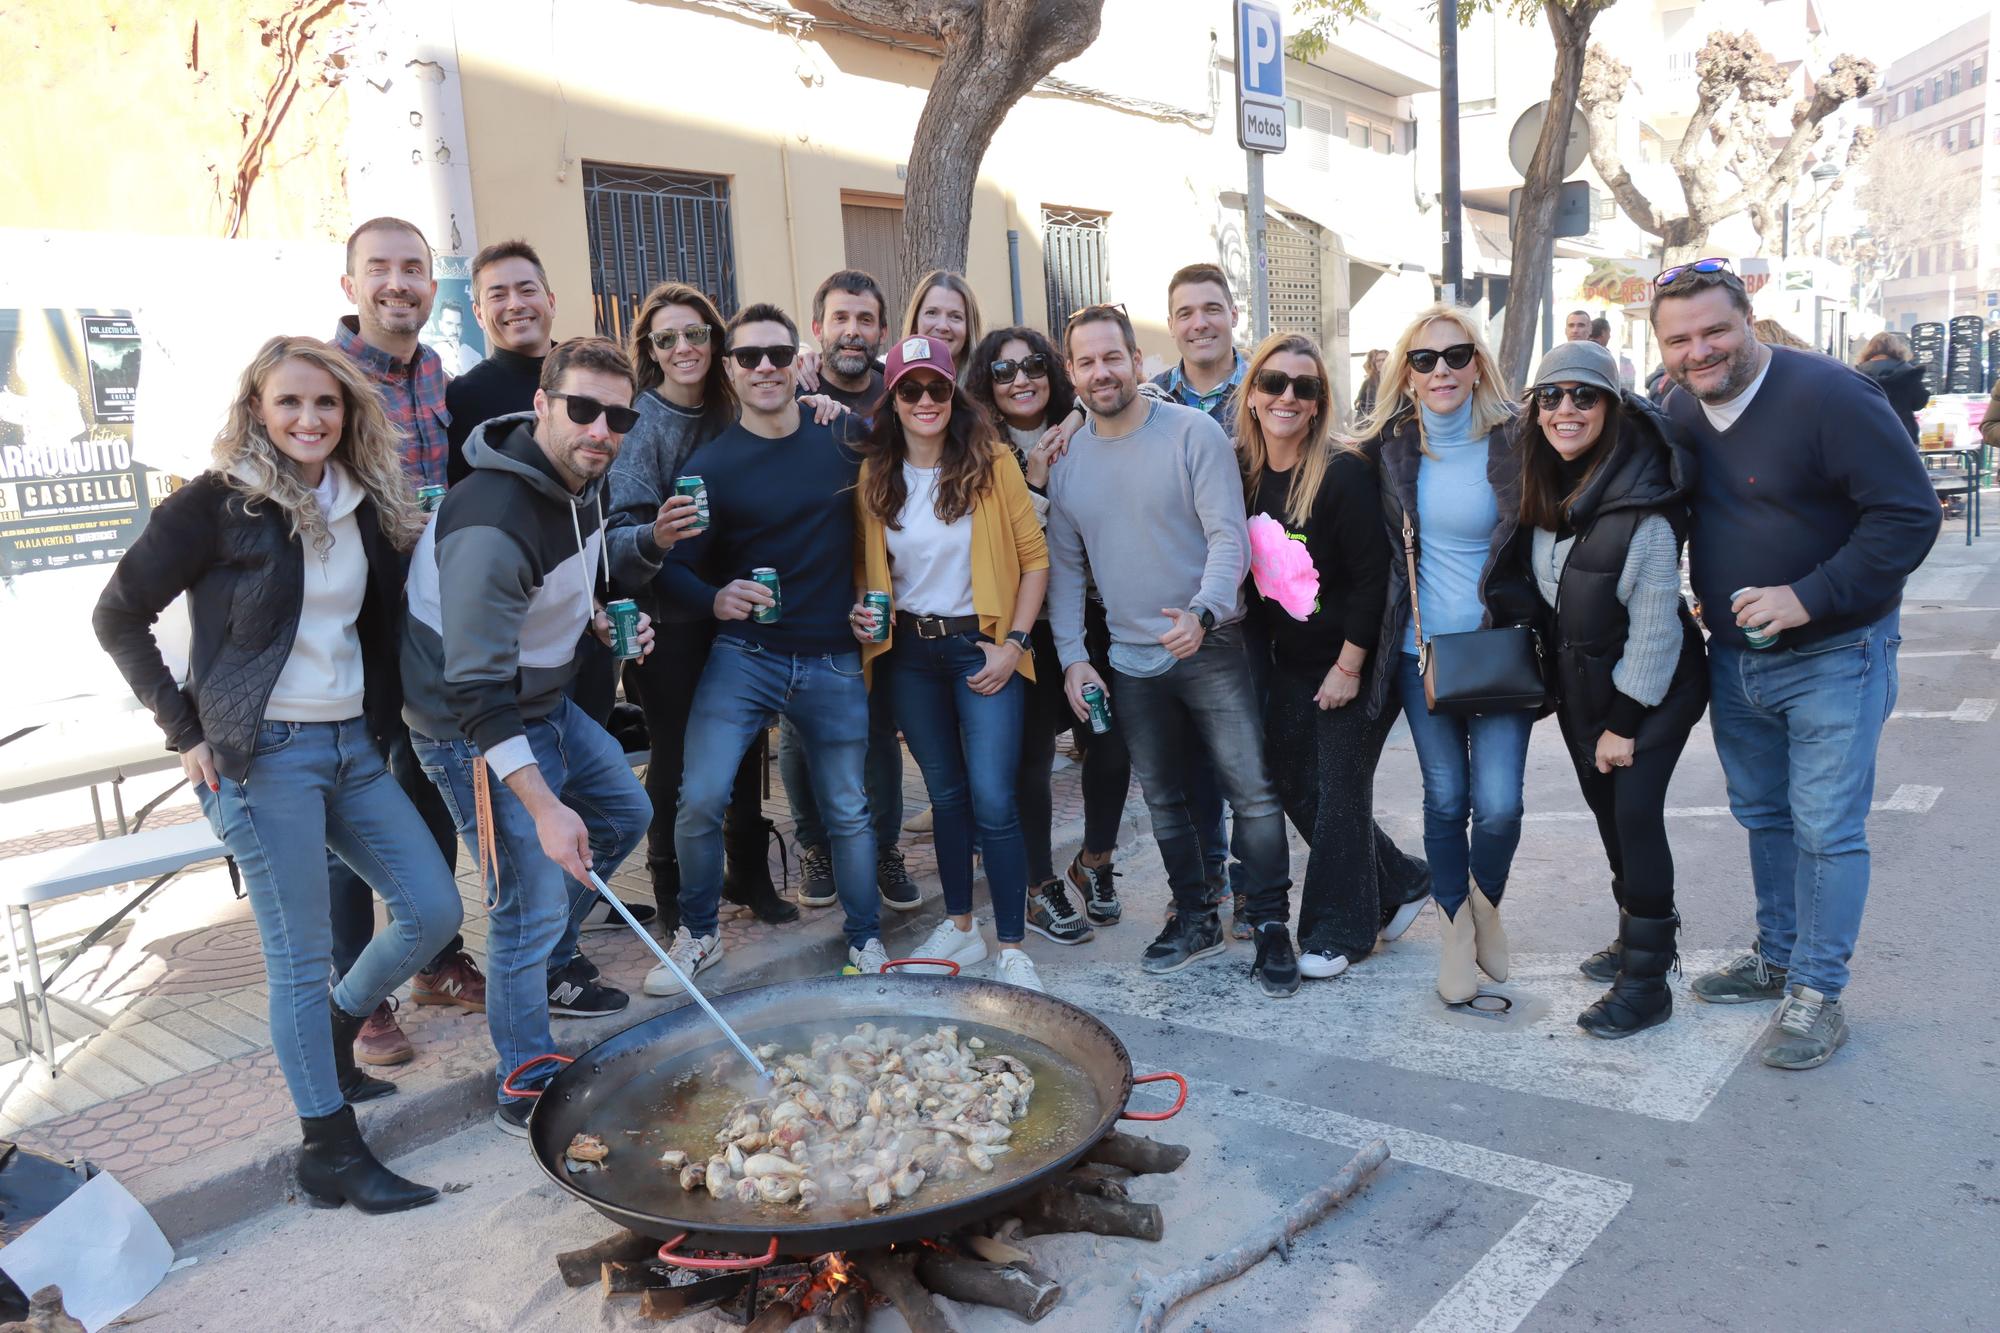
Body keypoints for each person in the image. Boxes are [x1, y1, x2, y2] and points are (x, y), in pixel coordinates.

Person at [94, 336, 462, 1212]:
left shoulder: (362, 499)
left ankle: (334, 1027)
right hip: (260, 759)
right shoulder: (218, 504)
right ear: (257, 407)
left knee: (434, 907)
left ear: (349, 413)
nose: (309, 418)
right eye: (289, 402)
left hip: (351, 748)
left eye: (326, 403)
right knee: (296, 958)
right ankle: (328, 1147)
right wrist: (183, 729)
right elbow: (117, 614)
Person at [1652, 259, 1940, 1070]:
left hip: (1836, 653)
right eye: (1680, 339)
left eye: (1714, 330)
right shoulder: (1680, 406)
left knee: (1826, 828)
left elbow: (1910, 515)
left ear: (1748, 320)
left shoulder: (1832, 395)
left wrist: (1809, 595)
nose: (1699, 350)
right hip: (1737, 659)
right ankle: (1777, 954)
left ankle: (1818, 991)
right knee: (1766, 816)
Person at [403, 336, 663, 1131]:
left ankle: (548, 956)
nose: (602, 429)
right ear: (542, 404)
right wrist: (546, 808)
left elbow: (560, 578)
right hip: (471, 726)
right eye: (583, 409)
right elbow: (475, 692)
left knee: (625, 815)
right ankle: (522, 1075)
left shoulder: (579, 473)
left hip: (542, 699)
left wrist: (589, 617)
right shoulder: (494, 519)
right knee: (524, 897)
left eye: (619, 415)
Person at [1046, 304, 1299, 997]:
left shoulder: (1192, 433)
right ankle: (1193, 917)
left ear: (1135, 359)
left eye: (1112, 357)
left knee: (1250, 789)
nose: (1102, 371)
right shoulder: (1067, 465)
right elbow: (1066, 571)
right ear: (1072, 373)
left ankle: (1271, 921)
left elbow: (1229, 538)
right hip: (1130, 660)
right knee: (1164, 802)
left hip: (1211, 642)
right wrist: (1073, 655)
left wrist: (1203, 610)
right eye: (1087, 362)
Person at [655, 303, 895, 986]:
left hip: (831, 655)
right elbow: (673, 564)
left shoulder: (841, 435)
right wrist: (715, 598)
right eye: (749, 356)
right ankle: (700, 935)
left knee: (848, 809)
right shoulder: (711, 465)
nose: (765, 367)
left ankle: (866, 940)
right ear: (728, 369)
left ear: (800, 361)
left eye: (779, 354)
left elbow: (903, 488)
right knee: (699, 797)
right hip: (745, 658)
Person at [1515, 341, 1709, 1037]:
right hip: (1586, 688)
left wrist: (1623, 724)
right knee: (1605, 813)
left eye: (1584, 395)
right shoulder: (1549, 489)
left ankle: (1649, 982)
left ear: (1613, 406)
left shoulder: (1644, 509)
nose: (1566, 409)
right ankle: (1638, 937)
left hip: (1650, 690)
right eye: (1551, 396)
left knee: (1634, 814)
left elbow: (1658, 633)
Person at [852, 335, 1051, 990]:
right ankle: (962, 927)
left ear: (954, 394)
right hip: (909, 653)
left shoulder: (992, 462)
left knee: (994, 795)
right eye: (910, 389)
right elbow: (869, 573)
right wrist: (862, 611)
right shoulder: (874, 473)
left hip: (981, 646)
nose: (926, 400)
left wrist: (1014, 644)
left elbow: (1035, 562)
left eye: (937, 387)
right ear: (893, 400)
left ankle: (1014, 945)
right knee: (946, 796)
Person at [1356, 303, 1538, 1006]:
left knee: (1499, 805)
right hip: (1420, 653)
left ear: (1478, 362)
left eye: (1456, 355)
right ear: (1405, 372)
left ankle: (1484, 906)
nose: (1442, 371)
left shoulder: (1517, 439)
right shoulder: (1384, 448)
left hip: (1499, 651)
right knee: (1447, 796)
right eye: (1425, 359)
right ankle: (1456, 932)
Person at [605, 281, 794, 950]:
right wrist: (655, 531)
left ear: (717, 343)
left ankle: (747, 873)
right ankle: (672, 892)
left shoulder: (730, 406)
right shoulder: (642, 421)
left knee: (746, 744)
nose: (684, 347)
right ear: (651, 351)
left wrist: (819, 399)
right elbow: (619, 534)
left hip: (736, 607)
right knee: (679, 756)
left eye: (696, 334)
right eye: (667, 338)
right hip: (670, 620)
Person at [328, 217, 477, 1067]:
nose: (398, 283)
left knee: (426, 793)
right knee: (352, 813)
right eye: (379, 269)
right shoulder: (328, 378)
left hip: (422, 632)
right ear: (350, 286)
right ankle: (362, 995)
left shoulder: (432, 373)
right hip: (351, 635)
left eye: (413, 269)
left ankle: (434, 960)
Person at [1238, 332, 1426, 981]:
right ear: (1253, 394)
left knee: (1342, 784)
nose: (1288, 396)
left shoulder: (1341, 471)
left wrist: (1349, 667)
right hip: (1292, 659)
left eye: (1305, 386)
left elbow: (1373, 580)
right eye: (1274, 383)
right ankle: (1400, 879)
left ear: (1319, 402)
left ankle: (1340, 927)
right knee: (1295, 783)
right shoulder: (1243, 471)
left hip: (1358, 657)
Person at [962, 326, 1123, 941]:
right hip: (1022, 627)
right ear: (987, 384)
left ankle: (1095, 861)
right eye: (1003, 372)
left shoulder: (1084, 428)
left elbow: (1127, 397)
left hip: (1088, 619)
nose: (1020, 379)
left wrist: (1079, 415)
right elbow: (1000, 545)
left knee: (1109, 739)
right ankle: (1037, 885)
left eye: (1032, 365)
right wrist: (1032, 479)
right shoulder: (973, 447)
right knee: (1030, 760)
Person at [781, 271, 913, 914]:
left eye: (865, 319)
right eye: (841, 319)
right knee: (800, 725)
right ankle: (817, 848)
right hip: (809, 581)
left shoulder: (903, 392)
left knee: (877, 725)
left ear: (882, 331)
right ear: (818, 329)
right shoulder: (794, 387)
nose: (853, 331)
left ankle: (885, 849)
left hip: (885, 582)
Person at [446, 239, 558, 482]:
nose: (516, 304)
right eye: (497, 295)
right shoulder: (463, 397)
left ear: (551, 302)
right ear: (479, 315)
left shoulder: (591, 377)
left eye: (527, 290)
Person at [1854, 331, 1930, 445]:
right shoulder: (1908, 371)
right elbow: (1918, 403)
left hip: (1868, 434)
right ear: (1897, 349)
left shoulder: (1858, 374)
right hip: (1903, 435)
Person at [905, 270, 982, 375]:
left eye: (955, 316)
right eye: (931, 313)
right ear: (915, 323)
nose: (942, 326)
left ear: (969, 329)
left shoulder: (988, 388)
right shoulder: (891, 386)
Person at [1589, 316, 1638, 392]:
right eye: (1609, 332)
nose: (1610, 336)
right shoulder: (1602, 354)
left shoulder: (1583, 350)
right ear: (1603, 333)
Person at [1353, 348, 1388, 423]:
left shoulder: (1396, 380)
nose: (1381, 363)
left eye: (1383, 360)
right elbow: (1361, 405)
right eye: (1378, 360)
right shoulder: (1369, 382)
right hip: (1371, 422)